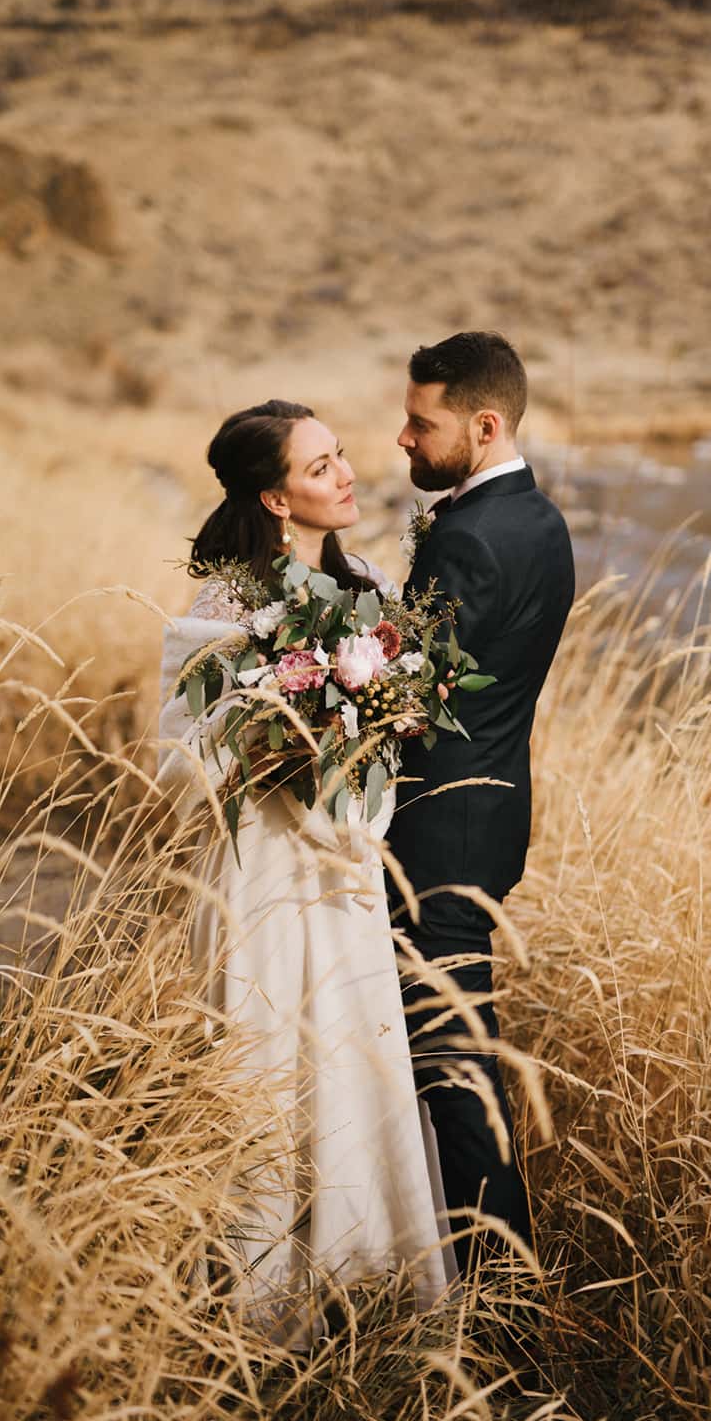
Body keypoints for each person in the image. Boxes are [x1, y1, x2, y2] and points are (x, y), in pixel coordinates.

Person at [158, 400, 454, 1347]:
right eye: (322, 466)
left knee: (354, 1058)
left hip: (348, 871)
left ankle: (366, 1281)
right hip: (266, 873)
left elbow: (392, 721)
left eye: (340, 459)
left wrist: (380, 722)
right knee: (271, 1062)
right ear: (275, 498)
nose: (347, 476)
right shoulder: (228, 607)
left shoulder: (367, 589)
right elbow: (182, 760)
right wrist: (285, 747)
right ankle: (261, 1305)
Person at [386, 331, 573, 1279]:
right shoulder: (540, 521)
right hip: (490, 821)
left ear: (484, 423)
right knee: (455, 1060)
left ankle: (504, 1301)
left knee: (457, 1074)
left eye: (424, 423)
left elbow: (410, 702)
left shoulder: (465, 537)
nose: (405, 440)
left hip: (438, 838)